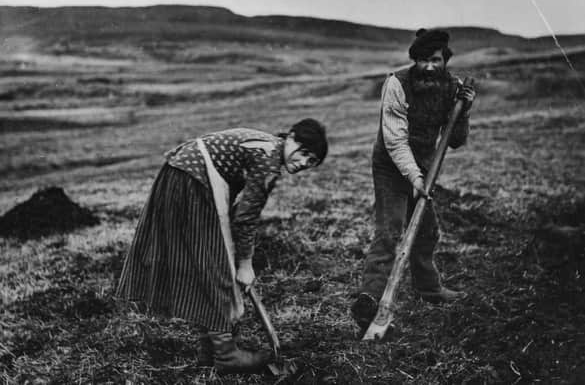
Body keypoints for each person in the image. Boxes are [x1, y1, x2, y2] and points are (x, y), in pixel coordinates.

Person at [117, 119, 328, 374]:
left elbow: (238, 213)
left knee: (210, 260)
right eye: (303, 152)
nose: (304, 162)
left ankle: (210, 350)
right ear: (291, 136)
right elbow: (246, 219)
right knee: (216, 263)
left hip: (183, 177)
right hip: (192, 182)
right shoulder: (268, 159)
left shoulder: (268, 148)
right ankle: (226, 355)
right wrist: (245, 265)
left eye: (312, 161)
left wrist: (237, 249)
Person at [351, 29, 477, 332]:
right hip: (390, 167)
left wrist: (464, 111)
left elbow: (456, 141)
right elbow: (395, 142)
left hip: (424, 167)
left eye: (435, 60)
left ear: (444, 60)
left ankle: (428, 289)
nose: (429, 66)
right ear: (414, 60)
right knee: (390, 230)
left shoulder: (452, 87)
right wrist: (415, 178)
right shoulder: (396, 84)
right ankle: (371, 298)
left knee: (427, 231)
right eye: (423, 60)